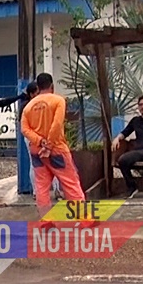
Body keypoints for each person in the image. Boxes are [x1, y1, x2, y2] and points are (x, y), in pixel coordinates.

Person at [20, 72, 85, 215]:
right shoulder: (58, 101)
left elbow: (24, 129)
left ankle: (46, 220)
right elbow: (56, 124)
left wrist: (40, 141)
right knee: (70, 182)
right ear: (52, 86)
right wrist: (48, 145)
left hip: (37, 151)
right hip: (57, 150)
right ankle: (84, 218)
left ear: (38, 86)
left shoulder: (28, 107)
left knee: (42, 187)